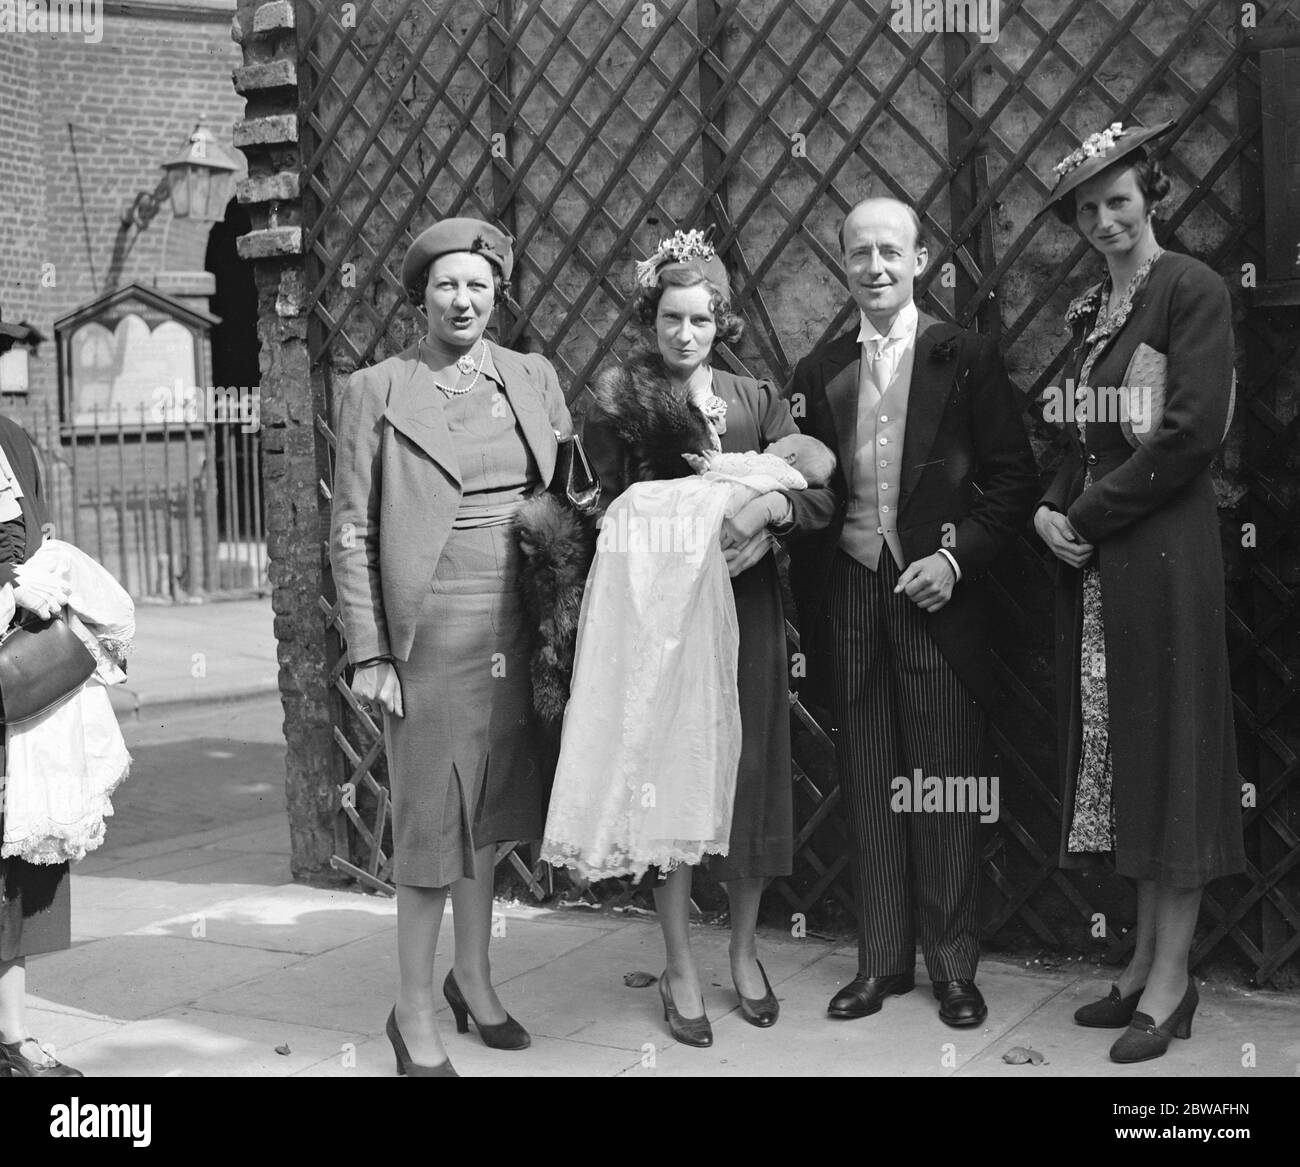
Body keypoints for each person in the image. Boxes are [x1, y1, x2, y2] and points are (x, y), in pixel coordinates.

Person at [543, 230, 835, 1044]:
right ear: (651, 319)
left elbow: (818, 494)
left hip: (747, 615)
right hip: (659, 621)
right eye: (671, 317)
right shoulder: (619, 401)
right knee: (668, 774)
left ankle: (743, 950)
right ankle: (677, 960)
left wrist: (770, 512)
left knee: (747, 774)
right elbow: (589, 501)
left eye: (700, 319)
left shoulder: (756, 400)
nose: (684, 334)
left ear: (722, 322)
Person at [330, 217, 575, 1076]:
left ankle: (473, 975)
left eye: (477, 284)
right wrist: (369, 648)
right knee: (432, 820)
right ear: (420, 295)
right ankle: (412, 1008)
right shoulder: (377, 388)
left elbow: (572, 491)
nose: (462, 299)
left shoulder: (532, 376)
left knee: (491, 808)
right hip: (427, 631)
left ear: (498, 292)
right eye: (445, 284)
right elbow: (352, 526)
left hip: (518, 619)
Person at [789, 197, 1039, 1028]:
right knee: (868, 779)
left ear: (922, 257)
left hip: (937, 597)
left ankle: (954, 967)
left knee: (936, 785)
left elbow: (1012, 482)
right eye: (859, 253)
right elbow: (816, 496)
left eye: (890, 251)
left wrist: (955, 556)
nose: (875, 267)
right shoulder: (816, 372)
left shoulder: (965, 356)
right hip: (853, 593)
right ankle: (883, 961)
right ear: (845, 264)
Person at [1034, 121, 1244, 1063]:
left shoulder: (1189, 291)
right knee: (1128, 756)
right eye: (1088, 209)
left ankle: (1173, 981)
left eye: (1119, 200)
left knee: (1177, 754)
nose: (1106, 220)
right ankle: (1137, 962)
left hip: (1163, 555)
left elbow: (1192, 434)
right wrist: (1050, 510)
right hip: (1101, 567)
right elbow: (1074, 438)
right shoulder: (1090, 317)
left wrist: (1088, 513)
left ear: (1149, 192)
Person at [0, 415, 83, 1077]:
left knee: (15, 864)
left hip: (13, 680)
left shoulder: (12, 437)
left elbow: (39, 535)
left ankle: (10, 1032)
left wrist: (44, 574)